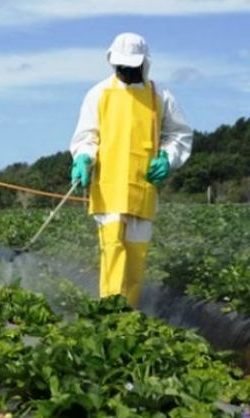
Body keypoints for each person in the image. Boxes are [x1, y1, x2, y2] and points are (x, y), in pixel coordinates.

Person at [70, 32, 192, 306]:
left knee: (136, 257)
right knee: (113, 250)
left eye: (131, 66)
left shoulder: (159, 96)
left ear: (143, 64)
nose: (126, 71)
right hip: (108, 188)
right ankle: (110, 314)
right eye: (121, 66)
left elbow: (179, 134)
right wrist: (83, 159)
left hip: (142, 188)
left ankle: (130, 315)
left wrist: (167, 158)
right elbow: (87, 136)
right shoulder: (98, 94)